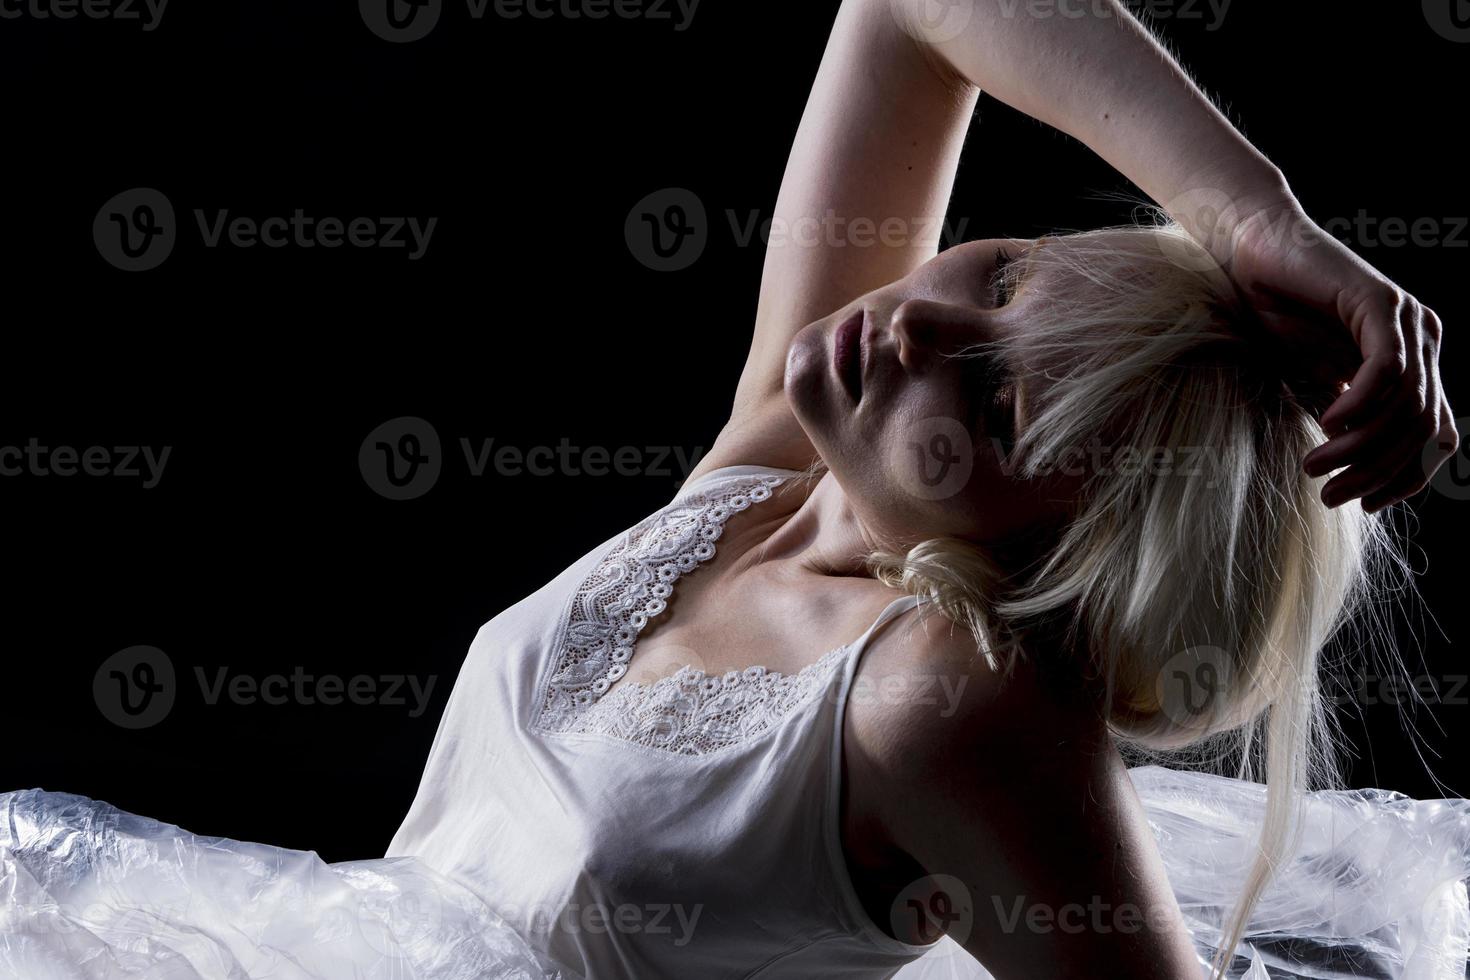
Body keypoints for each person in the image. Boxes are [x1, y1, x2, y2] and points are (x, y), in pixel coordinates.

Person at [2, 1, 1463, 978]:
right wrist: (1250, 214)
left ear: (1061, 554)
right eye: (1007, 275)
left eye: (1004, 405)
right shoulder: (779, 459)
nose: (924, 325)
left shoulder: (945, 696)